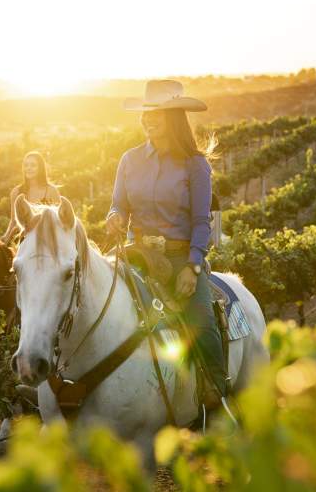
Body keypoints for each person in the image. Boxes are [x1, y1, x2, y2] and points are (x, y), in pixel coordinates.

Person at [105, 79, 228, 403]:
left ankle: (218, 395)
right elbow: (118, 205)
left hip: (178, 260)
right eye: (145, 113)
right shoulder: (129, 160)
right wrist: (114, 216)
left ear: (173, 117)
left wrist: (193, 266)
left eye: (155, 114)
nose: (147, 119)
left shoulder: (195, 165)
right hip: (137, 256)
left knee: (202, 324)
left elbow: (202, 222)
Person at [1, 151, 60, 243]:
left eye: (33, 165)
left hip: (47, 241)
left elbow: (58, 220)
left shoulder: (51, 191)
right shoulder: (16, 192)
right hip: (24, 240)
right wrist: (5, 237)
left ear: (40, 168)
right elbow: (13, 221)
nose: (28, 168)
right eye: (26, 165)